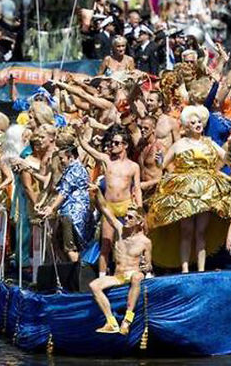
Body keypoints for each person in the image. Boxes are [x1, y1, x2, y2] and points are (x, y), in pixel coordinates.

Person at [148, 105, 231, 273]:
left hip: (206, 191)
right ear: (186, 126)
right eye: (193, 122)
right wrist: (158, 159)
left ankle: (201, 269)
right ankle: (185, 269)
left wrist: (230, 147)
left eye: (199, 122)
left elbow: (227, 159)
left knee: (201, 231)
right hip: (185, 191)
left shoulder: (209, 143)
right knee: (186, 231)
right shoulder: (179, 145)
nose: (198, 124)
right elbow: (163, 165)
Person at [75, 122, 141, 276]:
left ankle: (126, 273)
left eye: (117, 143)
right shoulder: (107, 160)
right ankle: (102, 276)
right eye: (112, 142)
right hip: (109, 206)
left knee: (126, 243)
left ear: (125, 145)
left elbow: (136, 188)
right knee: (106, 243)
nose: (113, 145)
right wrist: (79, 133)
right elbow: (87, 147)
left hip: (126, 207)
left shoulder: (133, 166)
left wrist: (139, 208)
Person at [88, 194, 151, 335]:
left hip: (134, 273)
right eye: (126, 216)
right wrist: (97, 191)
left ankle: (127, 321)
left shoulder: (145, 242)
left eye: (130, 217)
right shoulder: (119, 229)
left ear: (139, 221)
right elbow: (105, 208)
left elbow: (149, 266)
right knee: (94, 285)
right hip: (118, 276)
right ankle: (111, 322)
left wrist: (146, 267)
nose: (126, 219)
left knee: (136, 277)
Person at [38, 145, 94, 262]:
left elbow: (64, 191)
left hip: (73, 214)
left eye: (62, 158)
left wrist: (51, 208)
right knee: (56, 241)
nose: (61, 161)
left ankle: (77, 275)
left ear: (71, 157)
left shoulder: (75, 170)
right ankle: (69, 272)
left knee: (70, 247)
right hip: (67, 213)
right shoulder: (71, 169)